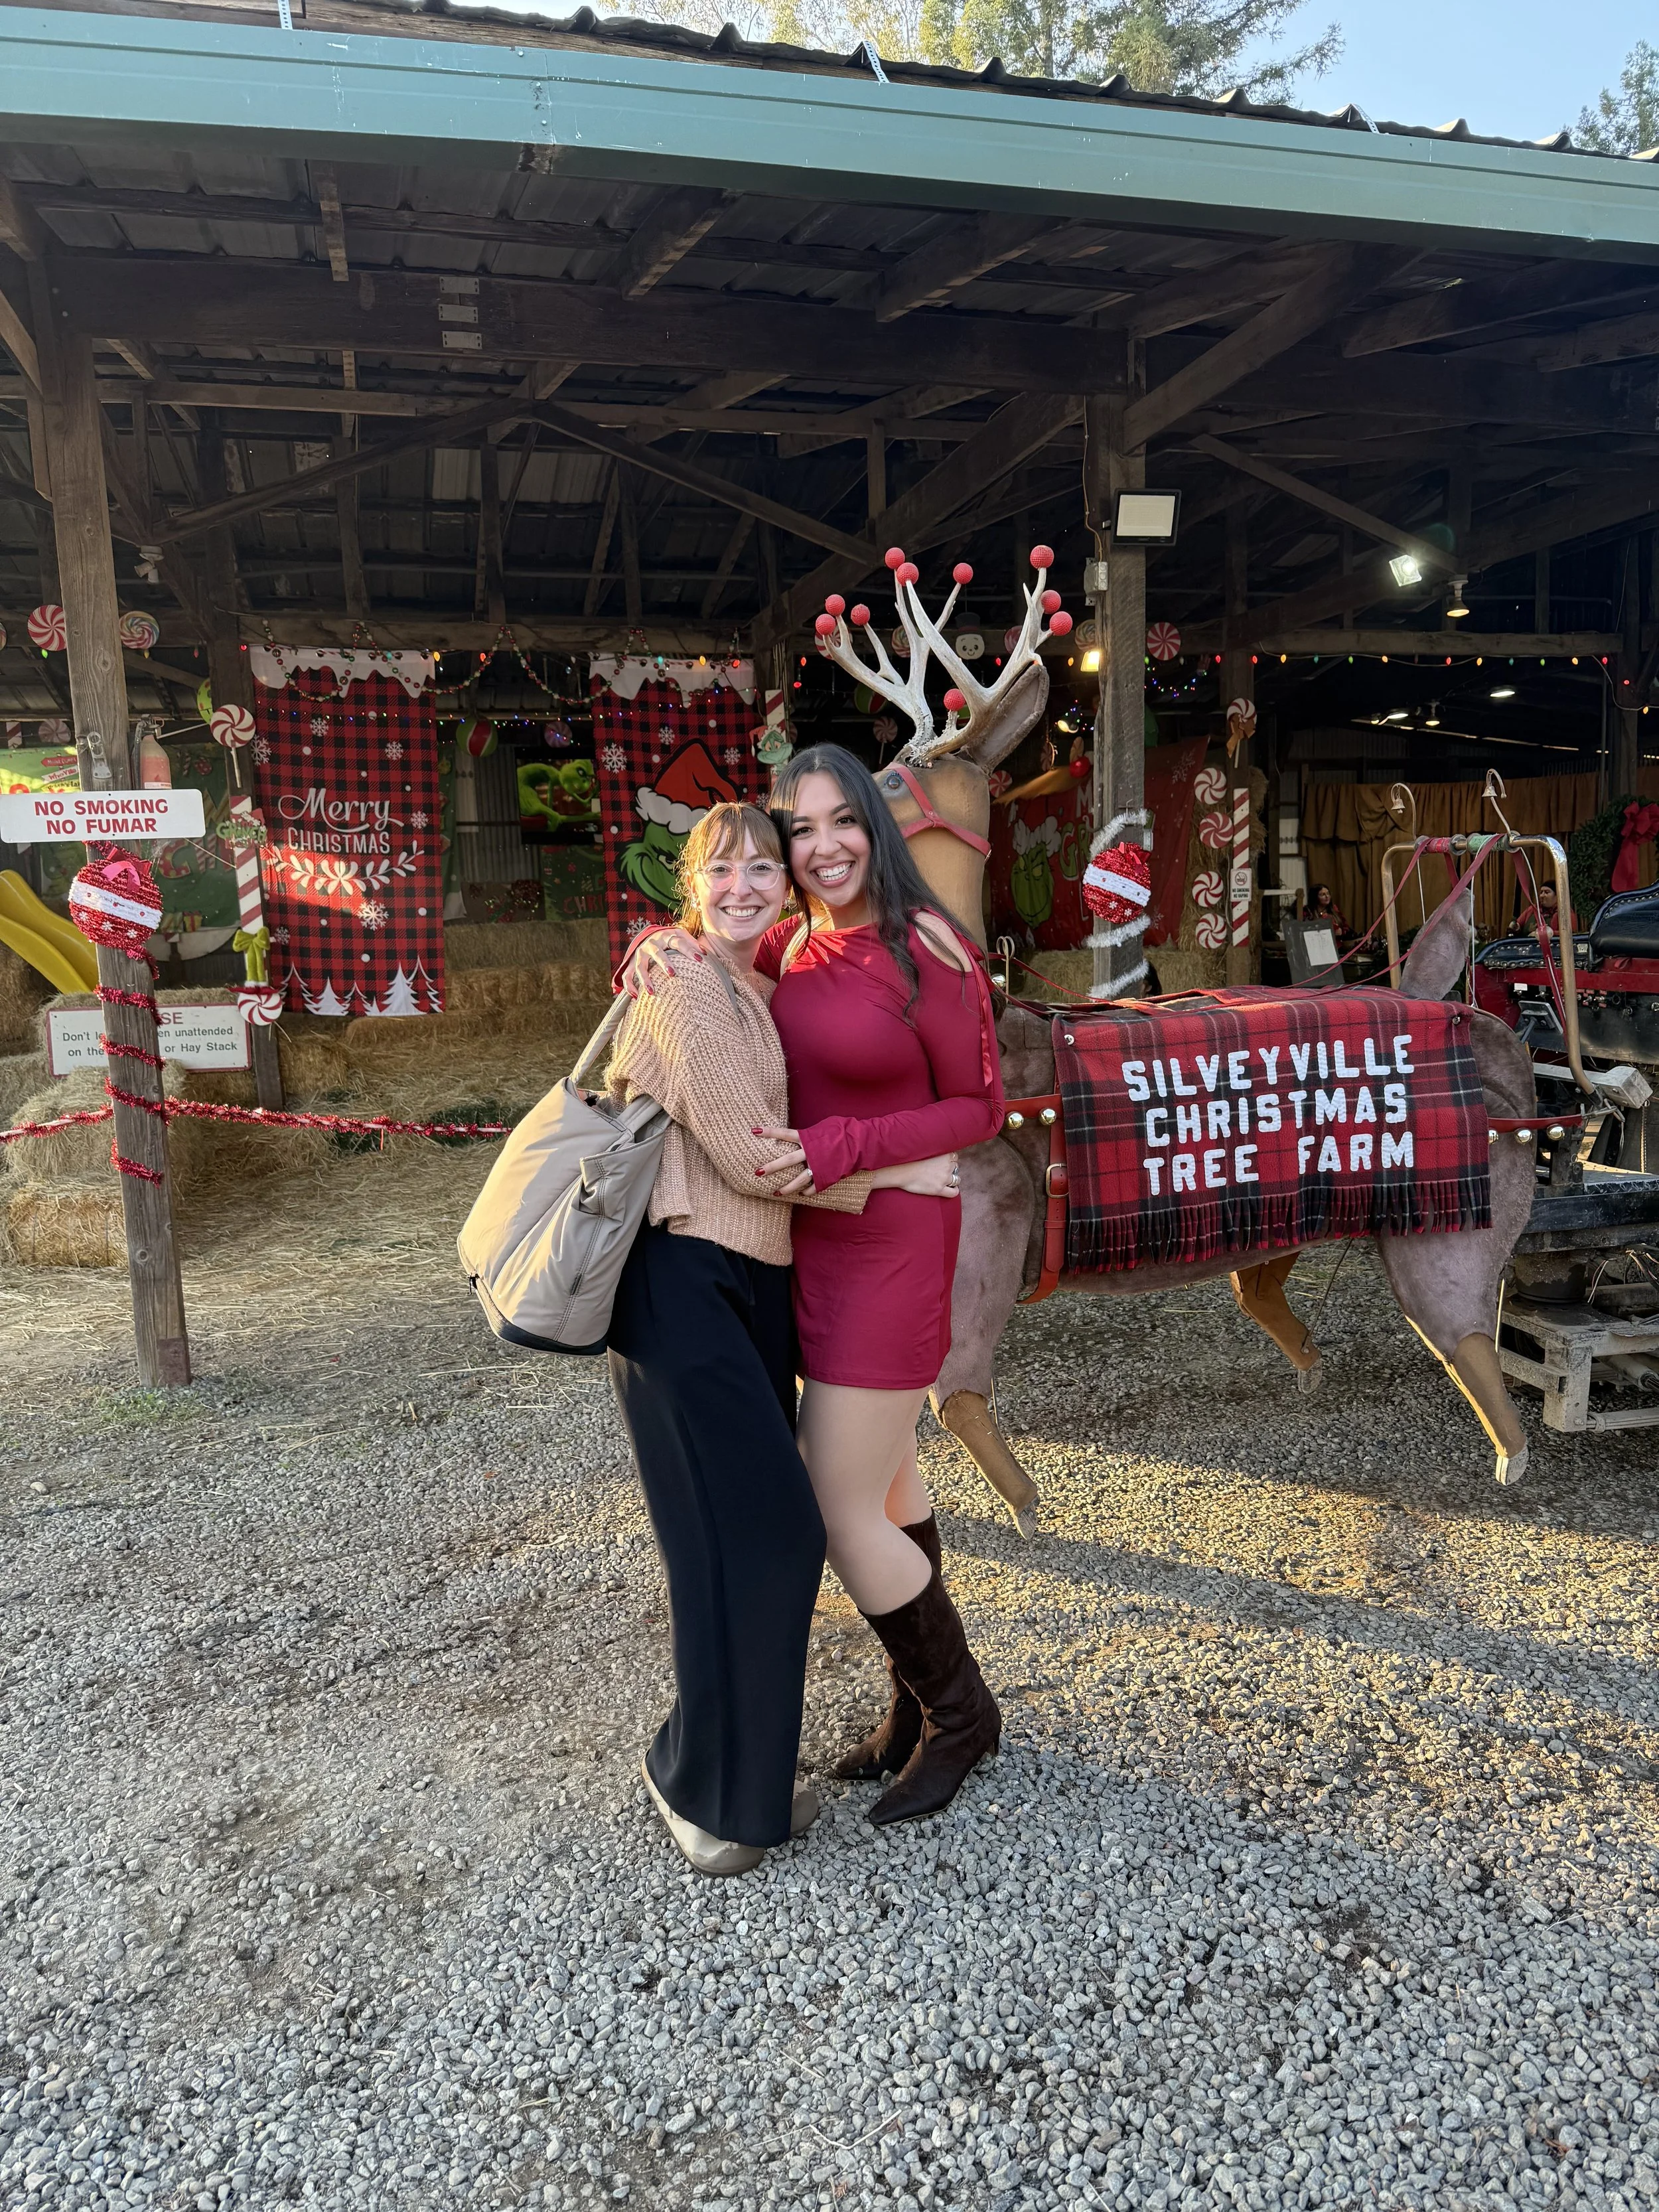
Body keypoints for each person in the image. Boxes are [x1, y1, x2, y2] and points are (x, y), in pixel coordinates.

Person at [630, 745, 1006, 1826]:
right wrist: (662, 954)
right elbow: (712, 1025)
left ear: (878, 830)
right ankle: (911, 1708)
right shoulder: (790, 945)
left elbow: (977, 1108)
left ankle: (961, 1715)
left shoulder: (925, 944)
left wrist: (856, 1147)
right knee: (889, 1488)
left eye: (845, 822)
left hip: (890, 1238)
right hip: (809, 1241)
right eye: (802, 829)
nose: (825, 845)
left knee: (836, 1509)